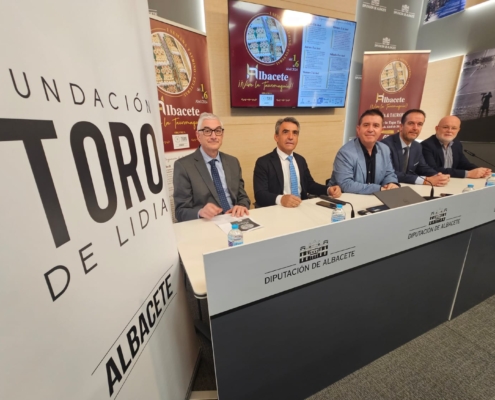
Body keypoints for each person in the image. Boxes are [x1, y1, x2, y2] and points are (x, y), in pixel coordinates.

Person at [173, 112, 251, 222]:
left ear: (222, 135)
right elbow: (180, 212)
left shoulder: (233, 162)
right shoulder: (183, 166)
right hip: (207, 224)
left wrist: (242, 205)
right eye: (207, 131)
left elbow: (243, 197)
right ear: (198, 135)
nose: (214, 136)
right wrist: (200, 212)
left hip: (235, 219)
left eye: (218, 131)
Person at [253, 117, 342, 208]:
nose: (291, 137)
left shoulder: (300, 160)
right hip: (278, 209)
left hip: (301, 207)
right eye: (285, 132)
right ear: (276, 137)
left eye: (295, 133)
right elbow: (260, 194)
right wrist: (281, 199)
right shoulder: (263, 162)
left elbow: (309, 184)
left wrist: (328, 189)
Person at [329, 109, 399, 195]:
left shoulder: (385, 149)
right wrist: (379, 189)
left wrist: (391, 184)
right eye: (366, 125)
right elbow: (346, 184)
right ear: (358, 129)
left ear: (381, 130)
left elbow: (389, 174)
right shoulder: (345, 153)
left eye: (376, 125)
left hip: (376, 198)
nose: (370, 129)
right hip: (347, 201)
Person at [381, 109, 450, 186]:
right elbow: (391, 174)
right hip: (390, 187)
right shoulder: (385, 145)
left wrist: (438, 176)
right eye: (411, 123)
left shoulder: (417, 146)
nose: (415, 128)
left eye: (419, 124)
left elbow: (422, 167)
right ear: (401, 126)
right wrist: (425, 180)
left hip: (409, 187)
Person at [422, 115, 492, 179]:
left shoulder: (457, 144)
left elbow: (463, 164)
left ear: (458, 130)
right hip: (434, 183)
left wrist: (480, 171)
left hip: (453, 181)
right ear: (437, 128)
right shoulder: (426, 145)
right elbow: (433, 169)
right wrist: (468, 174)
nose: (449, 131)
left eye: (454, 128)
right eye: (445, 127)